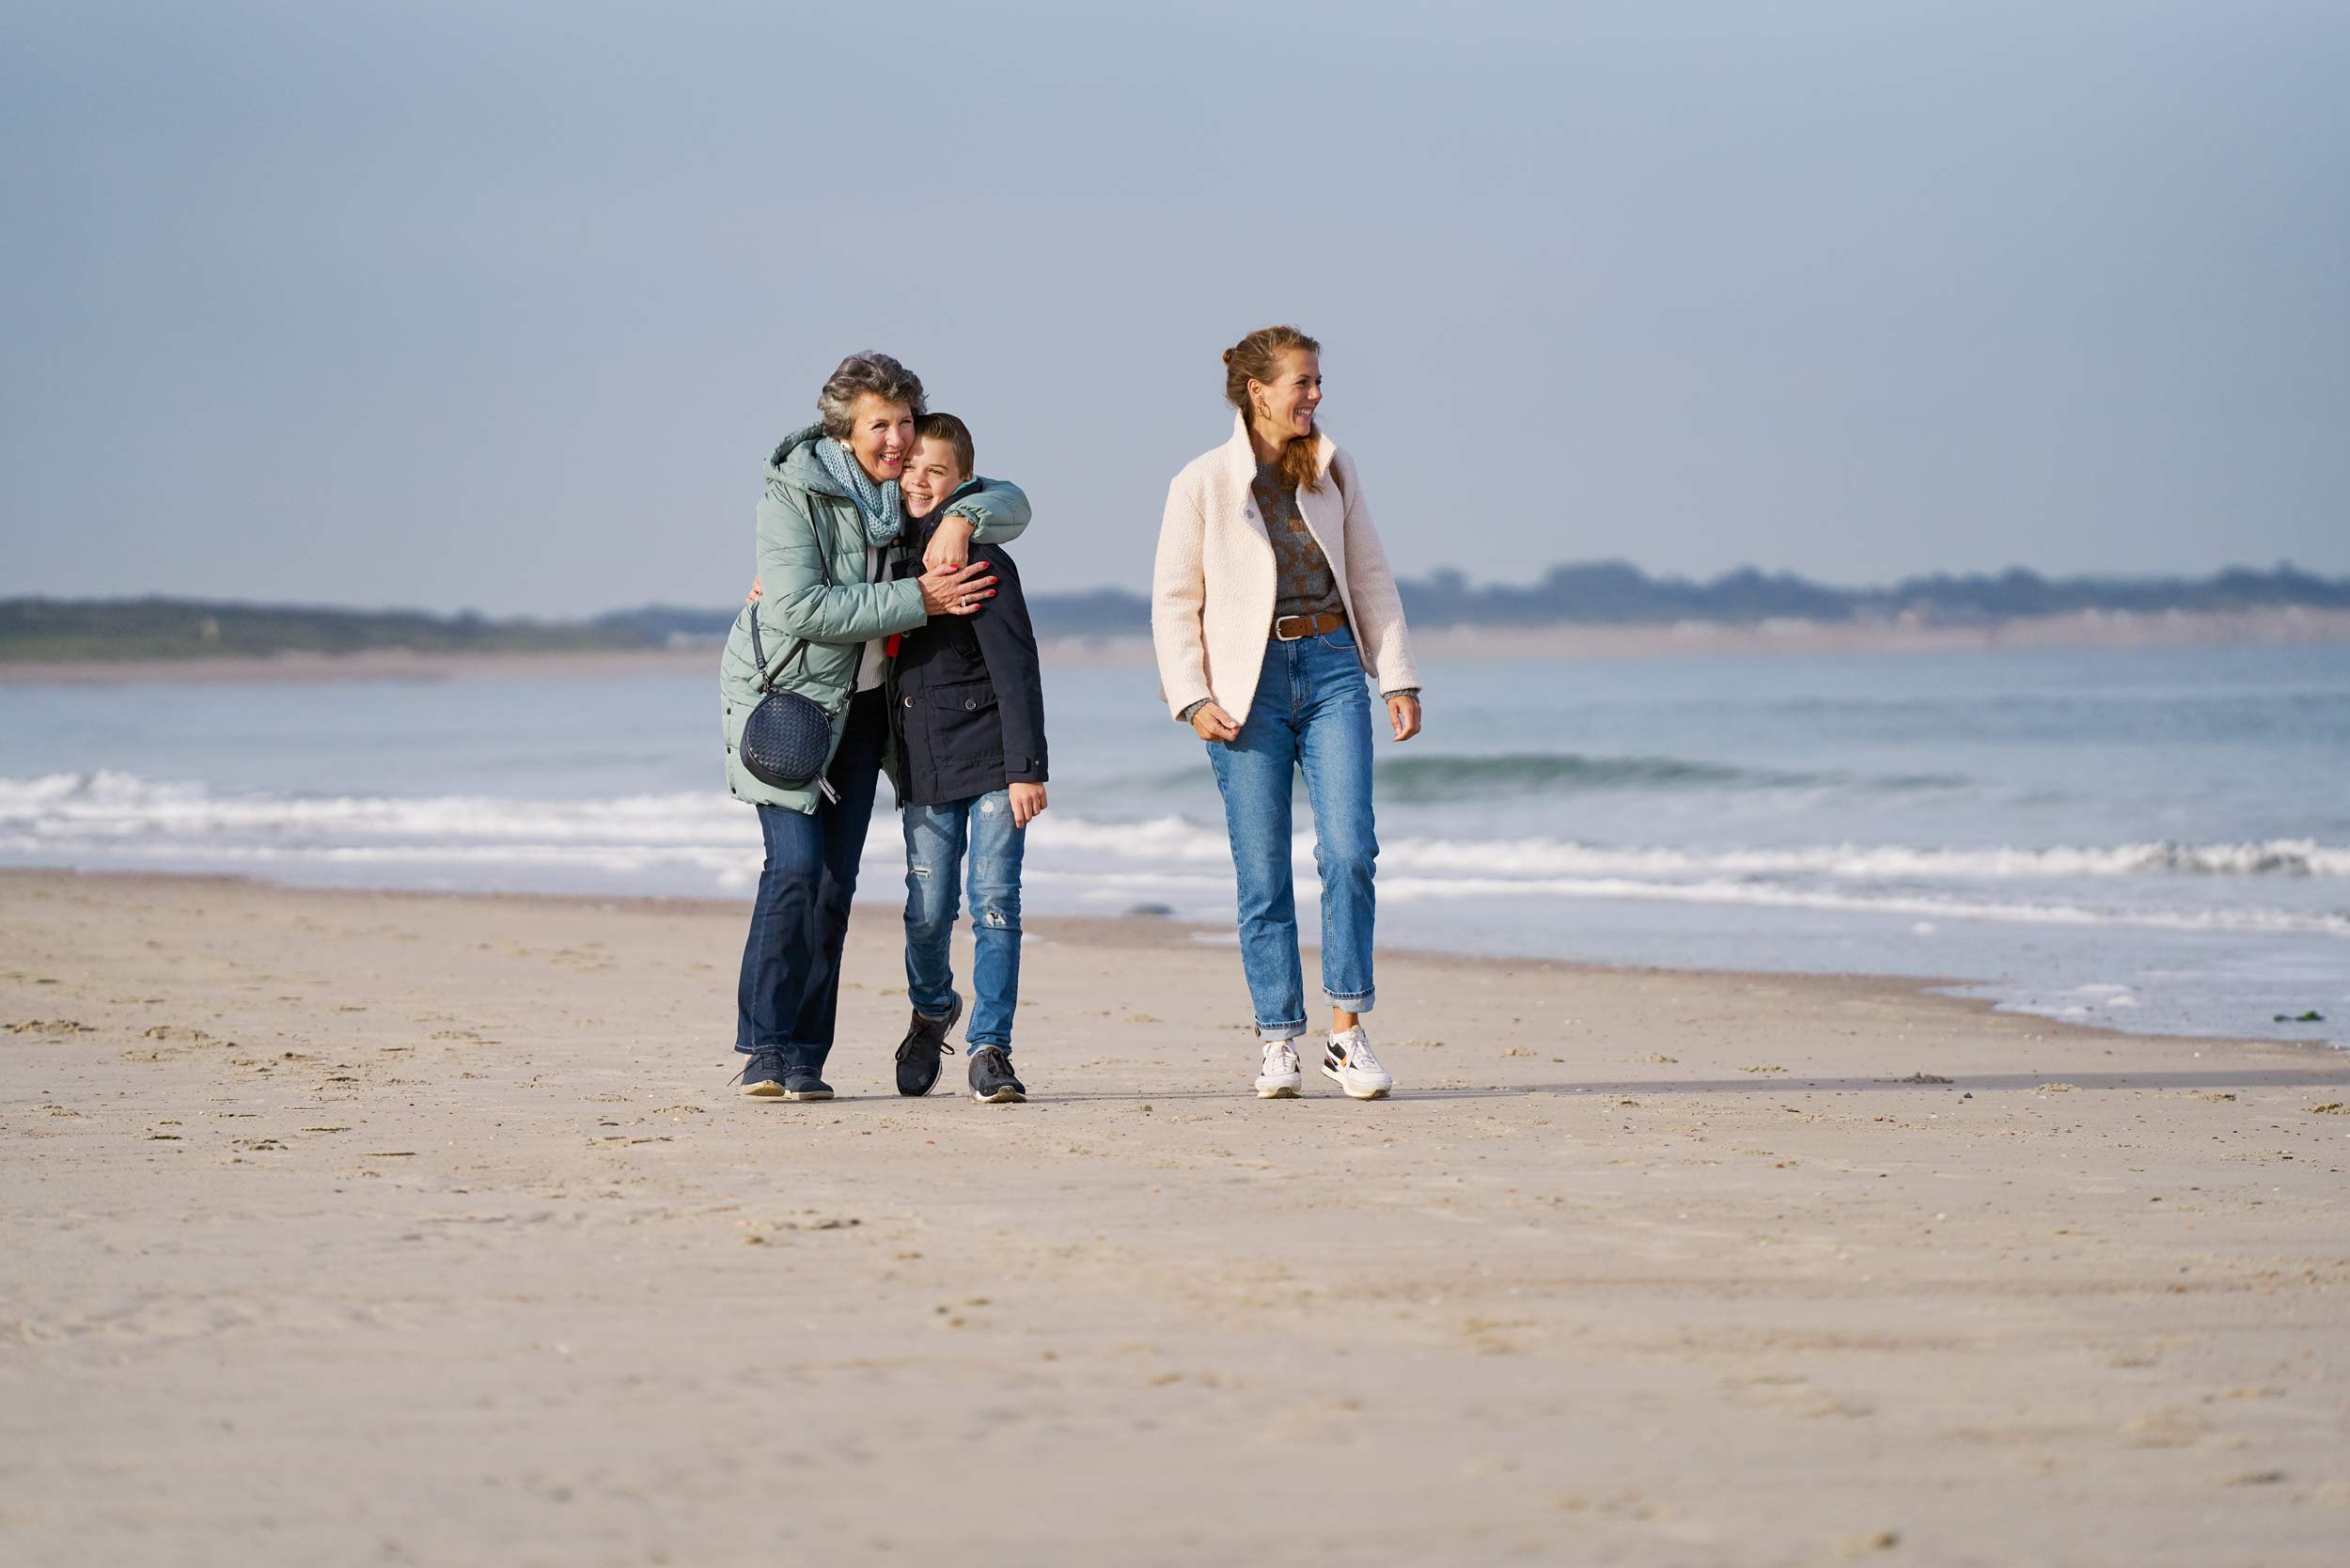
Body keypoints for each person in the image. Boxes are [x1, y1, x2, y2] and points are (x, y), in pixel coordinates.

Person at [722, 353, 1029, 1102]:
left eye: (903, 423)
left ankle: (806, 1059)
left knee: (835, 887)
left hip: (864, 716)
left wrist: (960, 515)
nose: (895, 441)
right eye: (878, 425)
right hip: (787, 703)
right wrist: (916, 597)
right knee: (793, 870)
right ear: (844, 428)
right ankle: (763, 1047)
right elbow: (799, 609)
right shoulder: (794, 493)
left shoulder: (905, 494)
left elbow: (1011, 500)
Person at [1150, 325, 1423, 1101]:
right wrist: (1192, 697)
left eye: (1317, 381)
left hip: (1334, 668)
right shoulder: (1201, 482)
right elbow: (1174, 602)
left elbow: (1369, 573)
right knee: (1262, 871)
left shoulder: (1334, 470)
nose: (1315, 395)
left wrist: (1397, 675)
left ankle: (1345, 1034)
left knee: (1349, 852)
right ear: (1257, 391)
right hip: (1245, 686)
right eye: (1302, 382)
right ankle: (1278, 1037)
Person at [882, 413, 1049, 1105]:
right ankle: (931, 1010)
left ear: (961, 484)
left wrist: (1027, 769)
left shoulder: (983, 559)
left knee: (994, 906)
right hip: (921, 767)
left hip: (988, 764)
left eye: (937, 471)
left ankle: (990, 1049)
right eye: (911, 466)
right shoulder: (878, 557)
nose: (921, 480)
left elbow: (1017, 671)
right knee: (926, 911)